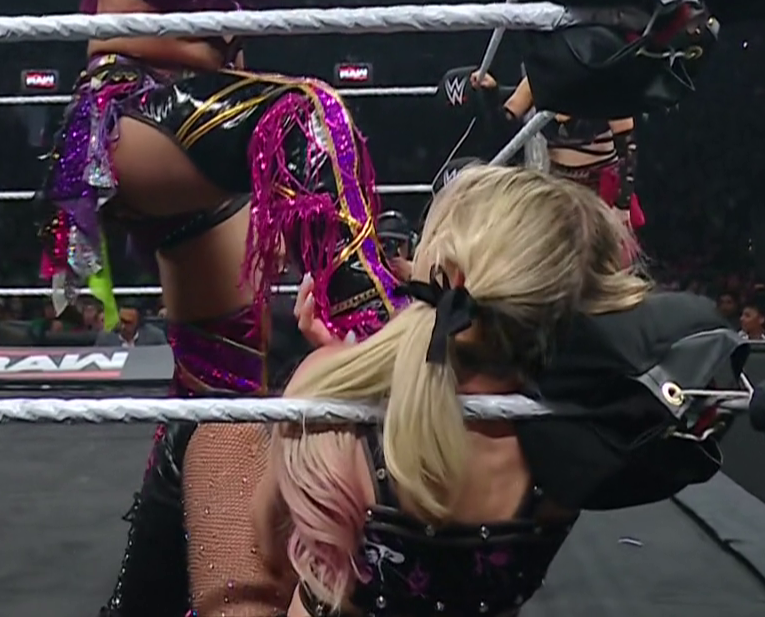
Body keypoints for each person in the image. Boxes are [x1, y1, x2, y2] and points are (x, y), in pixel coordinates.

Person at [38, 0, 613, 617]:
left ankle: (147, 600)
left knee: (219, 388)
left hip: (213, 145)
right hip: (127, 121)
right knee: (308, 114)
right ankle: (385, 352)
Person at [227, 166, 644, 616]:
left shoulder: (326, 388)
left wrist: (338, 364)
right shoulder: (580, 436)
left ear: (450, 276)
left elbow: (269, 547)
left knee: (216, 444)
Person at [472, 70, 642, 231]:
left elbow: (628, 149)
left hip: (599, 188)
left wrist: (622, 205)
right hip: (559, 183)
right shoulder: (539, 77)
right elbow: (504, 126)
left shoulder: (605, 81)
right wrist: (490, 93)